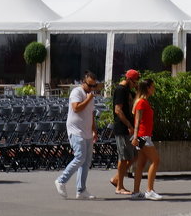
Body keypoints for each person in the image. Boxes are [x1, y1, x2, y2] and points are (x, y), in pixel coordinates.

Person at [55, 70, 100, 200]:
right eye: (89, 85)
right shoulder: (77, 92)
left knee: (86, 162)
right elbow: (76, 108)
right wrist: (88, 99)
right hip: (75, 130)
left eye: (94, 86)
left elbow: (91, 113)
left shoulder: (89, 95)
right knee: (80, 157)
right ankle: (61, 180)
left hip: (87, 131)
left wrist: (94, 130)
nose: (91, 88)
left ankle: (81, 190)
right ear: (83, 82)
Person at [130, 78, 163, 199]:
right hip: (143, 136)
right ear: (148, 88)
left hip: (142, 135)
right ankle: (149, 190)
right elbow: (137, 121)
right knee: (156, 160)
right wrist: (135, 136)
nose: (154, 88)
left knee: (141, 163)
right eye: (152, 86)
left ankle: (136, 191)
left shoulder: (142, 101)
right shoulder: (141, 102)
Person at [109, 69, 139, 194]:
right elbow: (118, 110)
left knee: (133, 156)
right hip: (122, 127)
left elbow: (134, 101)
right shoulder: (121, 90)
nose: (135, 83)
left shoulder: (127, 90)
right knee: (123, 157)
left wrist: (137, 90)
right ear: (128, 79)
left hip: (127, 127)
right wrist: (128, 125)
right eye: (134, 81)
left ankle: (117, 178)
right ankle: (119, 187)